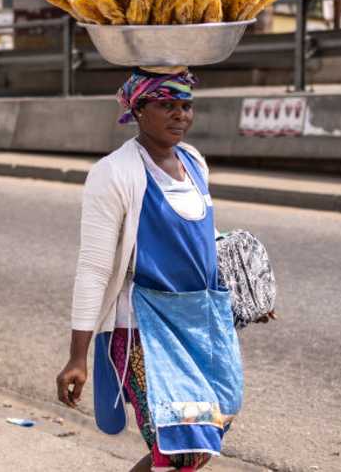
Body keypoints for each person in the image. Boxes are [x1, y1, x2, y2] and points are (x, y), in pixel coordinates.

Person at [55, 67, 256, 472]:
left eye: (186, 105)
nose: (180, 115)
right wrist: (77, 356)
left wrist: (247, 288)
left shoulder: (194, 162)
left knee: (211, 427)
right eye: (167, 105)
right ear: (139, 109)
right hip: (141, 331)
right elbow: (94, 268)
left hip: (202, 323)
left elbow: (202, 237)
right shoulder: (113, 173)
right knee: (178, 445)